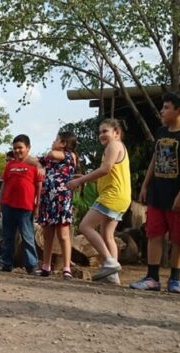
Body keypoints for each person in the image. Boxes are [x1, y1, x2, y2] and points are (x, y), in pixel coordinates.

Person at [132, 92, 180, 294]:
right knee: (153, 234)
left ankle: (175, 279)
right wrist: (145, 185)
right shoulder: (162, 132)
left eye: (166, 108)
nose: (162, 111)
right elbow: (154, 160)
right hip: (158, 193)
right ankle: (152, 277)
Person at [68, 119, 132, 285]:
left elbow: (105, 169)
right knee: (107, 234)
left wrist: (80, 181)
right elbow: (109, 175)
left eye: (105, 131)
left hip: (112, 195)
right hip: (121, 196)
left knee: (85, 226)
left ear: (116, 133)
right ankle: (112, 276)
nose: (101, 135)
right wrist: (84, 178)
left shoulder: (114, 145)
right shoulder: (115, 148)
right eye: (100, 132)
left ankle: (110, 263)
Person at [0, 134, 43, 274]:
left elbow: (39, 187)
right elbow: (4, 185)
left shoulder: (34, 166)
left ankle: (31, 265)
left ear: (28, 148)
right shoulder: (9, 165)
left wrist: (37, 206)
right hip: (8, 205)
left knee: (28, 236)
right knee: (8, 236)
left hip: (25, 207)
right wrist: (0, 203)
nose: (17, 151)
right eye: (15, 148)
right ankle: (6, 263)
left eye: (20, 148)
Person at [37, 131, 79, 279]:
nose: (53, 142)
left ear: (63, 143)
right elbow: (34, 160)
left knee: (63, 233)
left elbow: (52, 155)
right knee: (47, 234)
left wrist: (44, 160)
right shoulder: (49, 159)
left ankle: (67, 267)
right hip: (48, 198)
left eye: (56, 140)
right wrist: (39, 165)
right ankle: (46, 266)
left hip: (62, 199)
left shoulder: (69, 156)